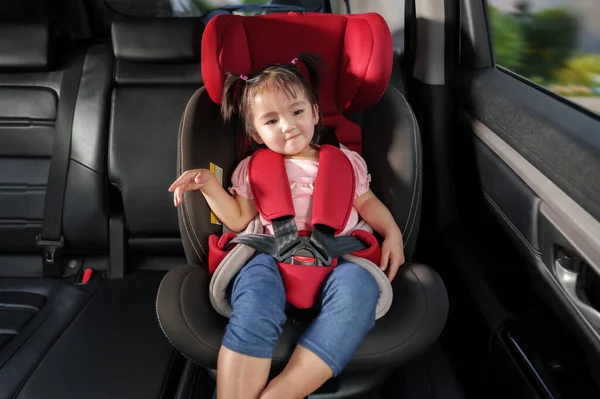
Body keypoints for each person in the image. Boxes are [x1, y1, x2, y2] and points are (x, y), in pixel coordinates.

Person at [168, 54, 405, 399]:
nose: (287, 125)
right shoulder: (251, 168)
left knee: (360, 292)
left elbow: (366, 203)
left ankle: (284, 391)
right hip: (270, 257)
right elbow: (237, 219)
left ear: (315, 113)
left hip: (339, 258)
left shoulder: (346, 162)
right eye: (271, 120)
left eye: (296, 112)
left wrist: (392, 231)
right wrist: (208, 184)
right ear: (255, 132)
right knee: (255, 296)